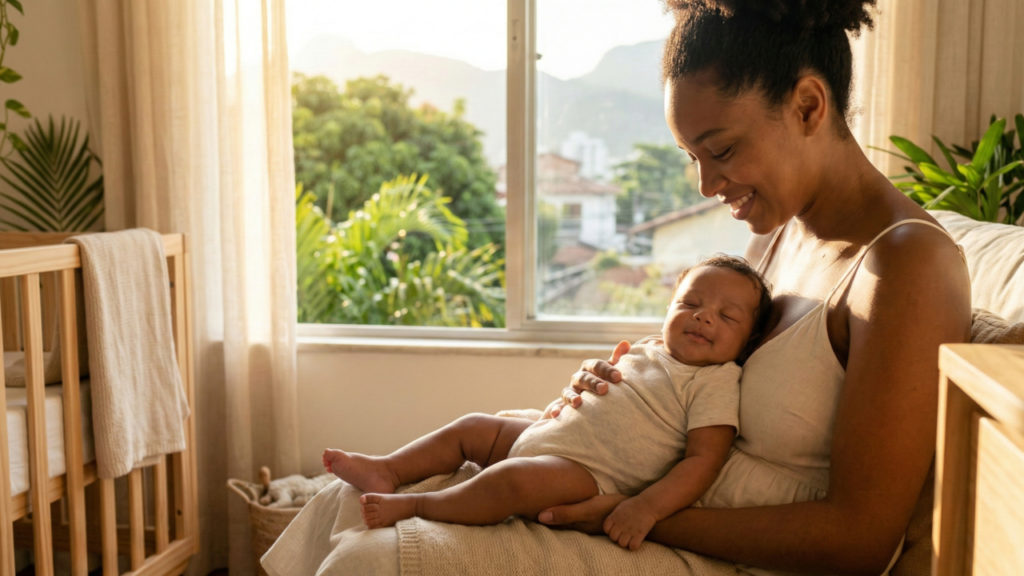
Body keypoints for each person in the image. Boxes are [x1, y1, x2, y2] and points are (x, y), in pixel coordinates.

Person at [263, 0, 972, 573]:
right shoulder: (779, 235)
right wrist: (630, 386)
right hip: (645, 493)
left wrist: (630, 512)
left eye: (721, 150)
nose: (706, 184)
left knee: (370, 559)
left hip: (690, 533)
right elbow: (707, 382)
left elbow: (858, 541)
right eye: (692, 156)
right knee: (339, 502)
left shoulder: (904, 267)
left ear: (809, 106)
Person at [322, 255, 772, 550]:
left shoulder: (715, 380)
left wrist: (646, 507)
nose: (702, 315)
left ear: (747, 340)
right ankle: (391, 469)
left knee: (514, 481)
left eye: (726, 315)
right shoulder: (648, 348)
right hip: (548, 435)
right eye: (689, 302)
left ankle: (422, 506)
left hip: (587, 475)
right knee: (477, 427)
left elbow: (702, 462)